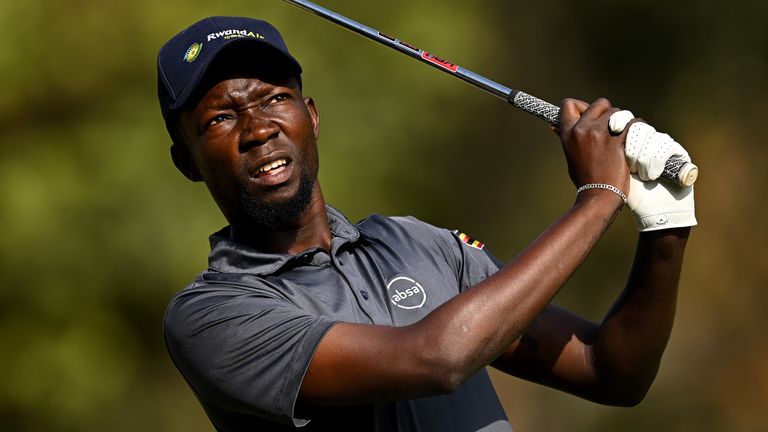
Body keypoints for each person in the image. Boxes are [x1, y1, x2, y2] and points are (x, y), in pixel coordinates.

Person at [158, 16, 695, 432]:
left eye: (276, 98)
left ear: (312, 116)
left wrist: (665, 228)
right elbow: (440, 360)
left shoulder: (419, 243)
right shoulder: (214, 316)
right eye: (220, 118)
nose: (259, 128)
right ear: (187, 162)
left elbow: (610, 371)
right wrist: (600, 197)